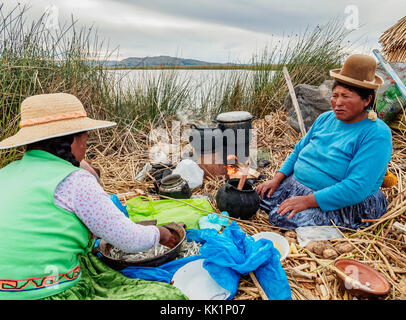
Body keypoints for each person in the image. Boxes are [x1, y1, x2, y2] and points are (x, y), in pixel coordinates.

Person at [0, 93, 186, 300]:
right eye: (85, 139)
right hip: (44, 293)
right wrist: (159, 233)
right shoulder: (74, 180)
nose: (85, 148)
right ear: (73, 140)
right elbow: (129, 239)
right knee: (167, 298)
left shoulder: (6, 173)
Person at [256, 54, 393, 230]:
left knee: (280, 217)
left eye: (346, 96)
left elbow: (357, 187)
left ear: (367, 100)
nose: (338, 103)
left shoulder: (376, 133)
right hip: (296, 186)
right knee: (254, 198)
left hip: (342, 202)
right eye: (335, 95)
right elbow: (298, 150)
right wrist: (277, 178)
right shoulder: (325, 118)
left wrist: (307, 201)